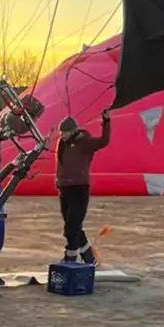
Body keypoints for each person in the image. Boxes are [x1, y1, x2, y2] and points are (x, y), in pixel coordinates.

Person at [54, 110, 112, 263]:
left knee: (71, 228)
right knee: (73, 226)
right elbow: (60, 164)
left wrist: (106, 122)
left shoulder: (85, 142)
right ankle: (89, 258)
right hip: (64, 189)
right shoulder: (62, 143)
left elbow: (104, 141)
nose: (62, 135)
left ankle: (70, 258)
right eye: (61, 133)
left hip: (79, 189)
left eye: (65, 133)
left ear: (72, 132)